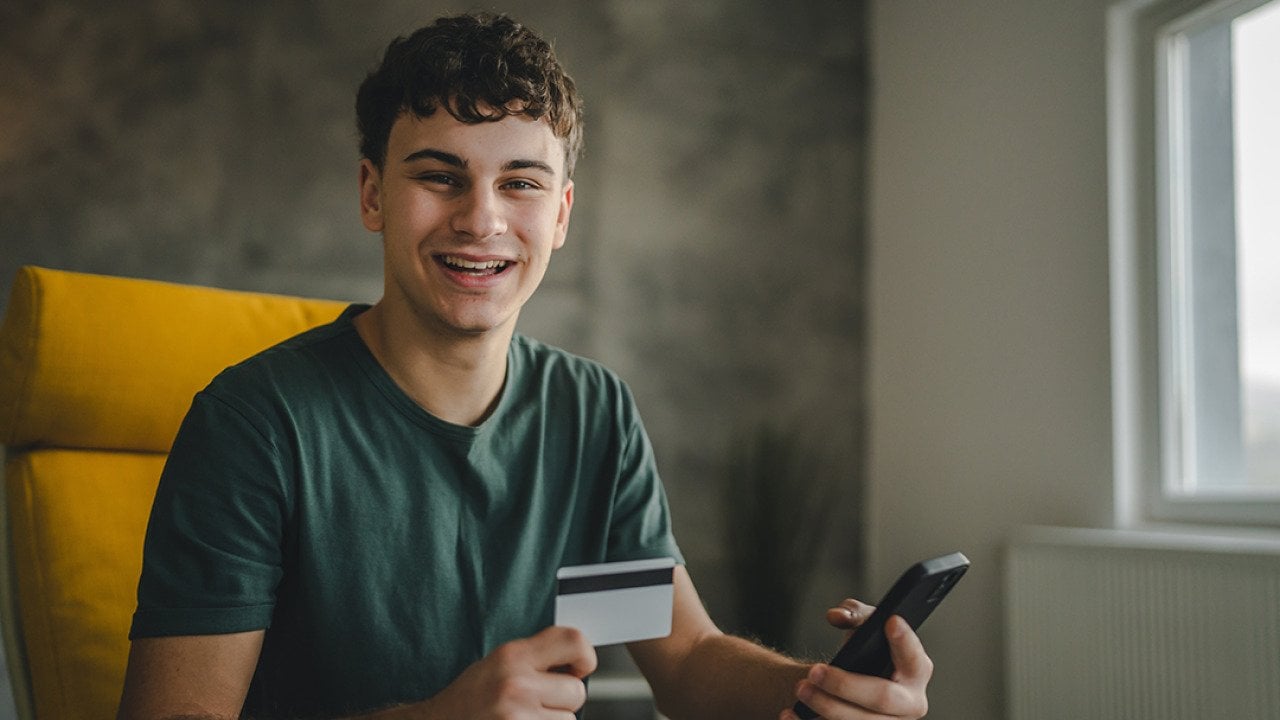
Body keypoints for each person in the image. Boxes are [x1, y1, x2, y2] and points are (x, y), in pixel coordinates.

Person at [117, 12, 933, 720]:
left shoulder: (589, 414)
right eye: (439, 177)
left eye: (521, 183)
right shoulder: (256, 423)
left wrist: (822, 689)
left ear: (562, 214)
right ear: (371, 195)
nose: (481, 219)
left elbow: (680, 664)